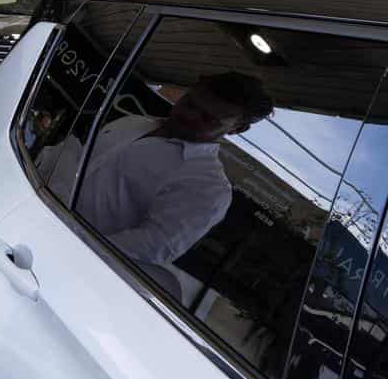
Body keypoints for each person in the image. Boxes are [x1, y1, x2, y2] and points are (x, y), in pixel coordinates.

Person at [70, 72, 274, 267]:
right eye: (189, 103)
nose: (190, 116)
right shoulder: (133, 123)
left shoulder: (209, 186)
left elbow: (153, 246)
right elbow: (76, 159)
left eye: (208, 119)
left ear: (237, 129)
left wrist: (71, 244)